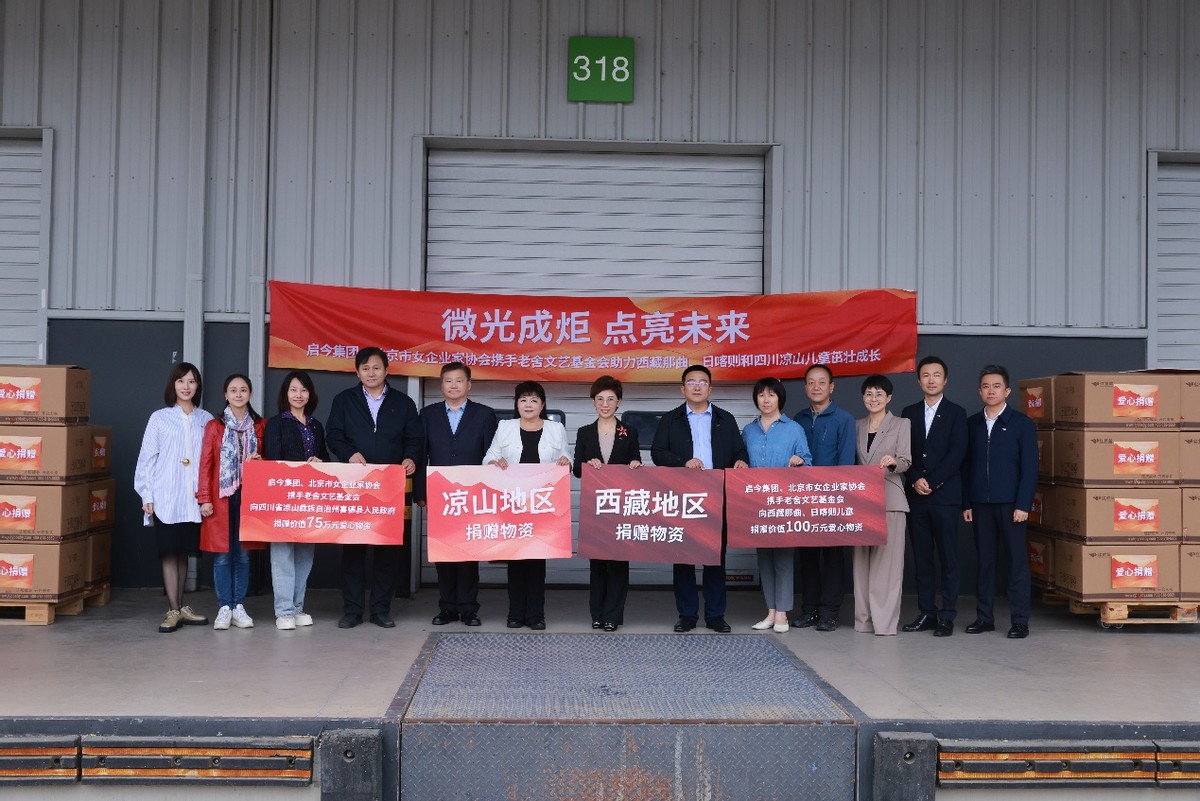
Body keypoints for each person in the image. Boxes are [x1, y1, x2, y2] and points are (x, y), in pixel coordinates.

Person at [326, 347, 424, 629]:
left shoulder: (403, 403)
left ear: (386, 370)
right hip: (355, 486)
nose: (371, 373)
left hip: (389, 487)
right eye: (365, 368)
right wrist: (348, 453)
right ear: (357, 372)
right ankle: (352, 611)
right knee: (353, 551)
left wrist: (410, 457)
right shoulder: (344, 400)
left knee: (386, 552)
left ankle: (381, 610)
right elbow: (334, 434)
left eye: (376, 367)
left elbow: (414, 438)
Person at [651, 364, 749, 634]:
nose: (697, 386)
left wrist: (741, 461)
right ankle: (687, 615)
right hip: (682, 498)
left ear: (710, 388)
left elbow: (739, 451)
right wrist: (683, 462)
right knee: (683, 558)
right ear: (682, 389)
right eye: (691, 382)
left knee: (715, 558)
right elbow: (658, 453)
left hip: (716, 496)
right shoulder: (670, 419)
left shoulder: (725, 419)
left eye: (702, 382)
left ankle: (716, 615)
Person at [415, 362, 499, 627]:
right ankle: (447, 608)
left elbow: (492, 455)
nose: (453, 385)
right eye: (448, 381)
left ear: (469, 385)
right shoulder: (427, 414)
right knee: (444, 553)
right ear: (441, 385)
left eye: (459, 381)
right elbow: (421, 455)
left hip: (473, 494)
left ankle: (468, 609)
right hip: (439, 493)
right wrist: (421, 491)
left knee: (469, 552)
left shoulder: (484, 415)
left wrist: (491, 493)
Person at [484, 380, 570, 630]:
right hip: (513, 502)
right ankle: (515, 614)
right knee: (515, 559)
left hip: (542, 504)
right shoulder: (505, 427)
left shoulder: (556, 429)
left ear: (542, 404)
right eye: (523, 400)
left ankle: (536, 615)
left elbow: (567, 457)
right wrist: (494, 463)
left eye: (534, 400)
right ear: (517, 404)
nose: (528, 404)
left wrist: (565, 461)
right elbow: (489, 457)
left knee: (536, 561)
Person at [134, 362, 214, 633]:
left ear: (198, 385)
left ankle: (181, 608)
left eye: (191, 381)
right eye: (181, 381)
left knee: (184, 551)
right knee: (169, 552)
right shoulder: (160, 418)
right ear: (173, 385)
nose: (186, 386)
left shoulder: (206, 419)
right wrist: (146, 493)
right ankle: (172, 609)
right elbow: (147, 458)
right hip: (166, 495)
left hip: (192, 498)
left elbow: (210, 460)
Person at [963, 364, 1039, 639]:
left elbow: (1030, 468)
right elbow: (966, 466)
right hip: (980, 504)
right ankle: (984, 618)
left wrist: (1023, 504)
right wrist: (967, 502)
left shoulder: (1021, 424)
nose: (991, 391)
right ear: (979, 391)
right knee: (985, 563)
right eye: (986, 386)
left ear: (1007, 391)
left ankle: (1020, 621)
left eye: (996, 386)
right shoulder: (971, 424)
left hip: (1011, 506)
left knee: (1016, 563)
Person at [900, 356, 967, 637]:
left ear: (945, 380)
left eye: (936, 375)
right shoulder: (909, 412)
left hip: (945, 497)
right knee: (922, 558)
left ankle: (947, 615)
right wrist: (915, 478)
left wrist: (933, 481)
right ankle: (927, 611)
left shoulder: (957, 413)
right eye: (925, 375)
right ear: (918, 381)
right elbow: (903, 451)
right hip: (917, 497)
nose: (931, 380)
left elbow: (957, 453)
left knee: (948, 558)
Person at [573, 375, 642, 632]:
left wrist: (635, 464)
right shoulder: (584, 432)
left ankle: (613, 615)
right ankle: (597, 614)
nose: (605, 404)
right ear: (593, 402)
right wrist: (587, 463)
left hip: (621, 506)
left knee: (618, 563)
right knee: (598, 563)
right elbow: (576, 469)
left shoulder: (629, 431)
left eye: (610, 399)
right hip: (596, 506)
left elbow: (636, 461)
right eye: (600, 399)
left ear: (619, 402)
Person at [742, 377, 811, 634]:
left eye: (771, 394)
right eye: (761, 395)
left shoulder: (793, 429)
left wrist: (799, 461)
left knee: (783, 557)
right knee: (764, 558)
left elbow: (808, 461)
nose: (766, 399)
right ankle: (770, 611)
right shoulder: (749, 430)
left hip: (783, 501)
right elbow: (741, 460)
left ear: (780, 398)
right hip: (756, 502)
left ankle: (782, 612)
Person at [197, 374, 266, 630]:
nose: (238, 394)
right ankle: (224, 606)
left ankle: (239, 606)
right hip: (221, 497)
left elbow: (270, 462)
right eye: (233, 390)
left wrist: (261, 462)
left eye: (243, 390)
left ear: (250, 394)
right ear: (225, 395)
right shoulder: (214, 426)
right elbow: (206, 464)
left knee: (244, 556)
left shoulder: (260, 426)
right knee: (223, 556)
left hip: (250, 496)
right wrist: (204, 498)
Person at [263, 369, 329, 630]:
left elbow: (326, 460)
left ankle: (298, 607)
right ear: (286, 394)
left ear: (310, 394)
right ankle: (284, 611)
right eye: (293, 390)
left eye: (303, 389)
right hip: (283, 499)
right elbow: (273, 462)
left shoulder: (316, 425)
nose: (298, 394)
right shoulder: (276, 423)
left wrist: (319, 462)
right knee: (282, 555)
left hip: (310, 501)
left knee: (304, 556)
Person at [793, 363, 856, 631]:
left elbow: (846, 461)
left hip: (832, 499)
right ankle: (809, 610)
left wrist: (837, 495)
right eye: (811, 382)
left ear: (831, 387)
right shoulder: (798, 419)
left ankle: (829, 612)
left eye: (822, 382)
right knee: (807, 557)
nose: (816, 387)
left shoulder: (844, 419)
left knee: (832, 557)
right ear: (805, 387)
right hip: (803, 499)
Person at [852, 375, 911, 636]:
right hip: (861, 502)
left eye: (879, 394)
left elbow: (906, 460)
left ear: (889, 398)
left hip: (890, 500)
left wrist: (893, 462)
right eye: (868, 394)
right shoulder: (856, 425)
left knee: (887, 567)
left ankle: (884, 623)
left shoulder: (901, 424)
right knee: (861, 564)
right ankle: (863, 621)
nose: (873, 399)